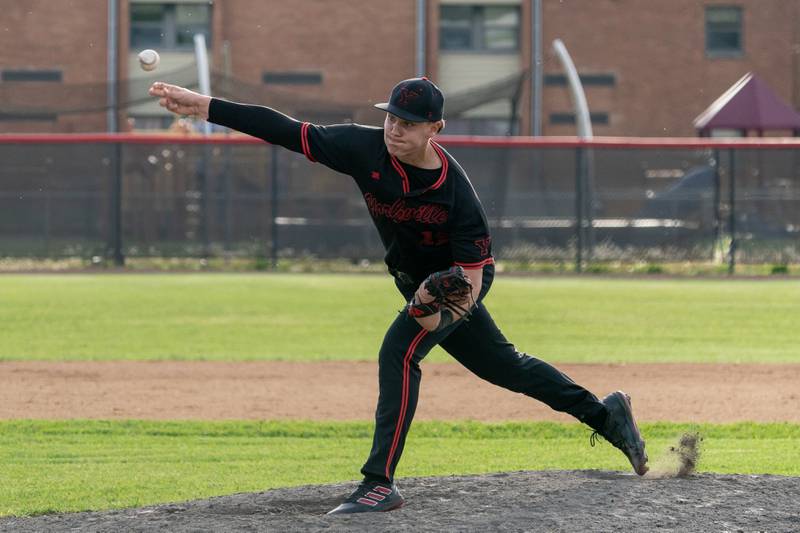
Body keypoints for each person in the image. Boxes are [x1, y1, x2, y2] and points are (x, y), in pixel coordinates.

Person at [149, 77, 648, 515]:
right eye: (392, 118)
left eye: (409, 123)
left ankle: (378, 482)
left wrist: (440, 309)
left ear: (436, 129)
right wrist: (205, 106)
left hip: (461, 283)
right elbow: (283, 128)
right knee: (505, 366)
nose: (395, 129)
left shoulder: (458, 195)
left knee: (400, 350)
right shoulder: (363, 149)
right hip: (416, 280)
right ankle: (606, 415)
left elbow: (472, 276)